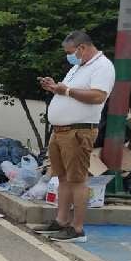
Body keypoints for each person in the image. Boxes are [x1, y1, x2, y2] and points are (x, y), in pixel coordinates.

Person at [32, 30, 115, 243]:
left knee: (77, 180)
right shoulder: (78, 67)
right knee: (63, 178)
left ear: (82, 48)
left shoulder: (102, 66)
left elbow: (98, 96)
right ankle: (61, 221)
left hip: (78, 131)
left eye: (71, 52)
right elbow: (68, 92)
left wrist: (66, 91)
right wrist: (55, 88)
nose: (69, 56)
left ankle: (77, 228)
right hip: (61, 131)